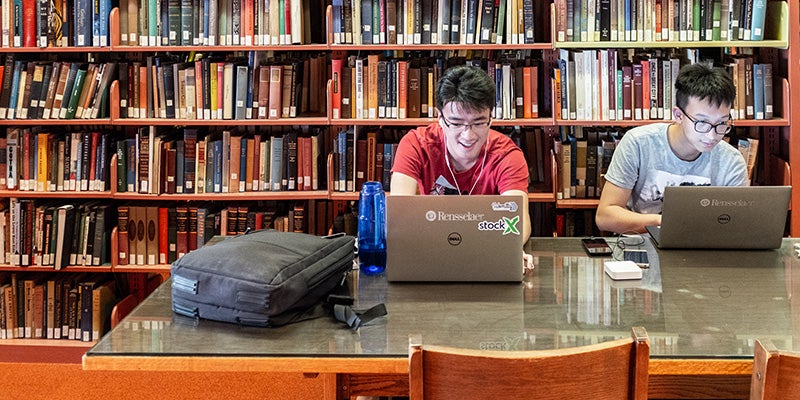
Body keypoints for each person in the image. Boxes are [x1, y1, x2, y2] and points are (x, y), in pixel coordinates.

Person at [595, 62, 748, 234]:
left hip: (704, 252)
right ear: (678, 115)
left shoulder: (731, 161)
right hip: (641, 245)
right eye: (702, 123)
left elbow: (736, 225)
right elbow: (605, 217)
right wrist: (664, 222)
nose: (712, 135)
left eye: (721, 123)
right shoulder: (639, 143)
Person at [390, 65, 532, 241]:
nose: (468, 135)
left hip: (486, 246)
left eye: (479, 123)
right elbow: (399, 216)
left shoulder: (507, 155)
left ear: (491, 117)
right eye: (456, 124)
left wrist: (512, 248)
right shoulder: (416, 144)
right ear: (440, 118)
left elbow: (518, 222)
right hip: (431, 243)